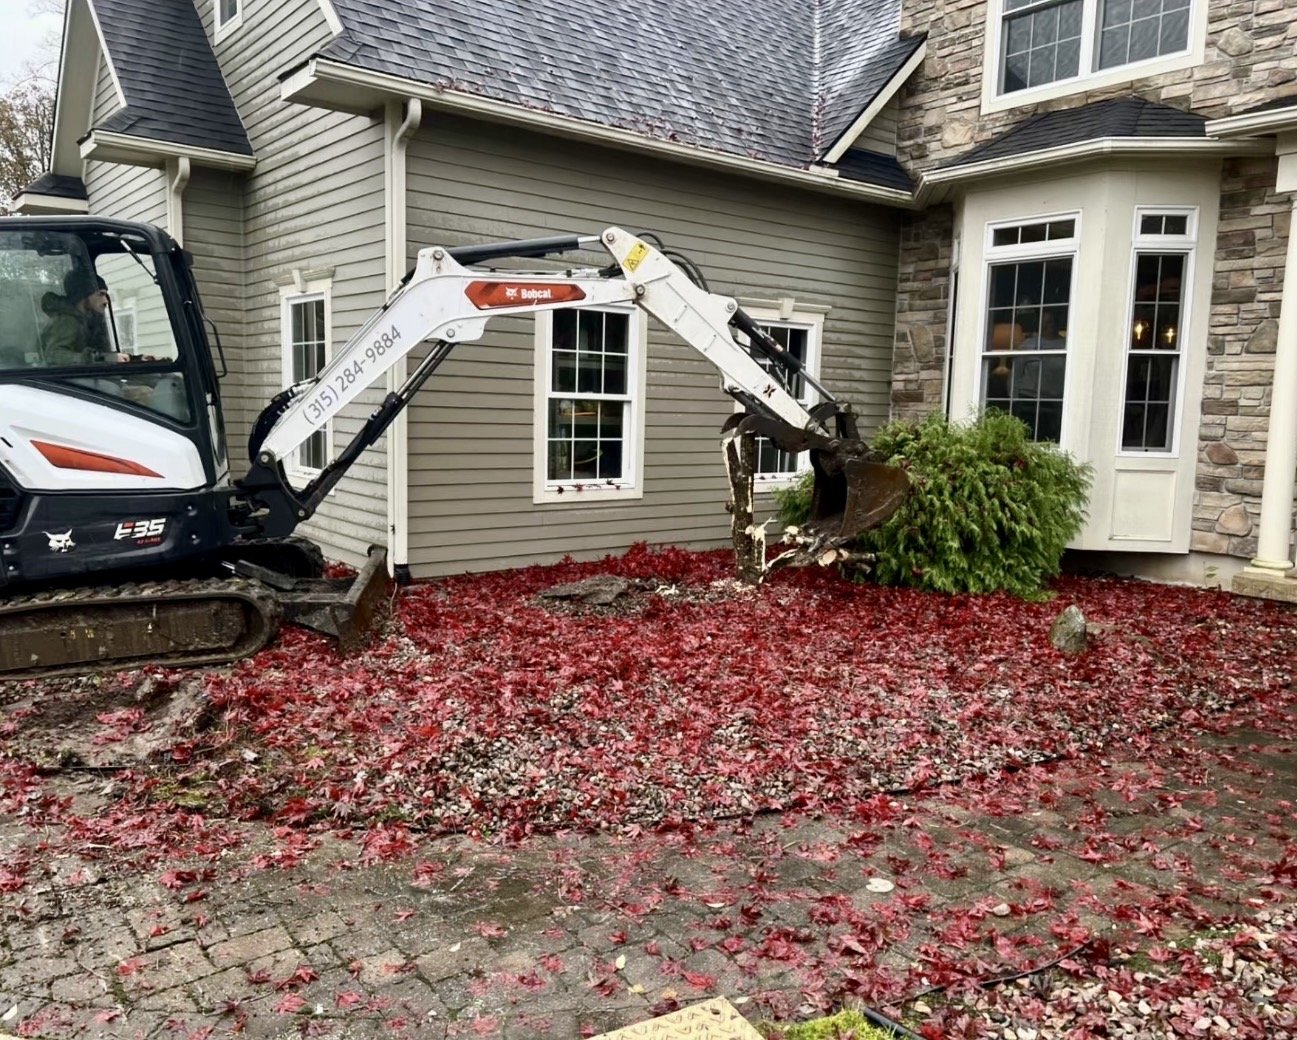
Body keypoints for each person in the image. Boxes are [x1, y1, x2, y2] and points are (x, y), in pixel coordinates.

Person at [38, 269, 128, 366]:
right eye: (101, 294)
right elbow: (54, 355)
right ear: (84, 295)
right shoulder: (68, 320)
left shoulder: (87, 320)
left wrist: (131, 358)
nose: (106, 301)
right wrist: (102, 358)